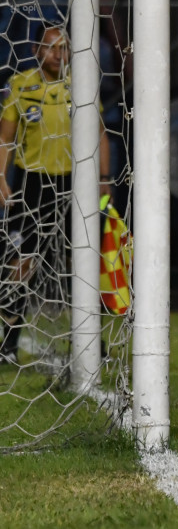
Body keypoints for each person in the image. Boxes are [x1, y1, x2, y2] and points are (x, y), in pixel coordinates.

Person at [0, 26, 112, 364]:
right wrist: (1, 177)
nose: (58, 54)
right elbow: (5, 138)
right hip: (32, 184)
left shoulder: (81, 85)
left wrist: (104, 177)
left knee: (82, 260)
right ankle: (8, 344)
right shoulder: (20, 85)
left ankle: (91, 341)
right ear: (36, 49)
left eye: (64, 48)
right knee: (23, 263)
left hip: (75, 184)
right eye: (52, 47)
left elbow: (101, 133)